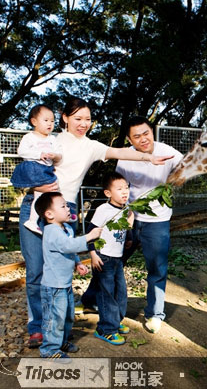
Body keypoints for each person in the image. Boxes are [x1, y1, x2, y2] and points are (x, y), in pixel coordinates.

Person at [18, 97, 173, 349]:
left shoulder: (90, 146)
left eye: (88, 119)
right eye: (77, 118)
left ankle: (60, 326)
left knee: (60, 271)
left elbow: (119, 152)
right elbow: (25, 170)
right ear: (65, 118)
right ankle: (37, 327)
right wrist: (34, 185)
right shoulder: (51, 140)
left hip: (64, 214)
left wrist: (149, 159)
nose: (83, 124)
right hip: (35, 208)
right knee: (36, 271)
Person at [116, 116, 183, 333]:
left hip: (157, 221)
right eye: (137, 136)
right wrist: (124, 213)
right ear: (129, 139)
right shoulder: (125, 158)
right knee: (111, 261)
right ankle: (93, 300)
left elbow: (189, 166)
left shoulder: (168, 152)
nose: (143, 139)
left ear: (151, 131)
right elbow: (119, 187)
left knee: (157, 268)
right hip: (130, 218)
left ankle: (155, 314)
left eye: (146, 133)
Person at [35, 192, 102, 360]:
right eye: (63, 206)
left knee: (66, 316)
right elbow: (67, 246)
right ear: (49, 214)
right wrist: (89, 236)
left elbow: (69, 250)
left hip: (64, 284)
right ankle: (49, 349)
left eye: (67, 205)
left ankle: (61, 342)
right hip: (53, 286)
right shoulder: (51, 231)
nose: (68, 208)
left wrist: (78, 263)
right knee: (54, 319)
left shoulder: (64, 229)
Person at [87, 172, 133, 345]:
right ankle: (105, 329)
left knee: (120, 292)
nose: (124, 192)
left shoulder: (125, 208)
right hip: (103, 258)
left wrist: (128, 238)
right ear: (108, 193)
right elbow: (91, 233)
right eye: (119, 189)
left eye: (126, 188)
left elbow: (124, 228)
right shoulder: (103, 210)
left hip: (117, 259)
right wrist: (92, 254)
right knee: (106, 294)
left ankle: (115, 321)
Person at [11, 105, 63, 234]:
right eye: (46, 120)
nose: (50, 124)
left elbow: (59, 155)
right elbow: (21, 151)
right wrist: (38, 154)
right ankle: (33, 221)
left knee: (52, 189)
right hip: (33, 168)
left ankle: (61, 213)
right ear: (34, 122)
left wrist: (55, 155)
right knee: (44, 191)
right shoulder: (30, 137)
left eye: (52, 121)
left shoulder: (52, 139)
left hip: (46, 169)